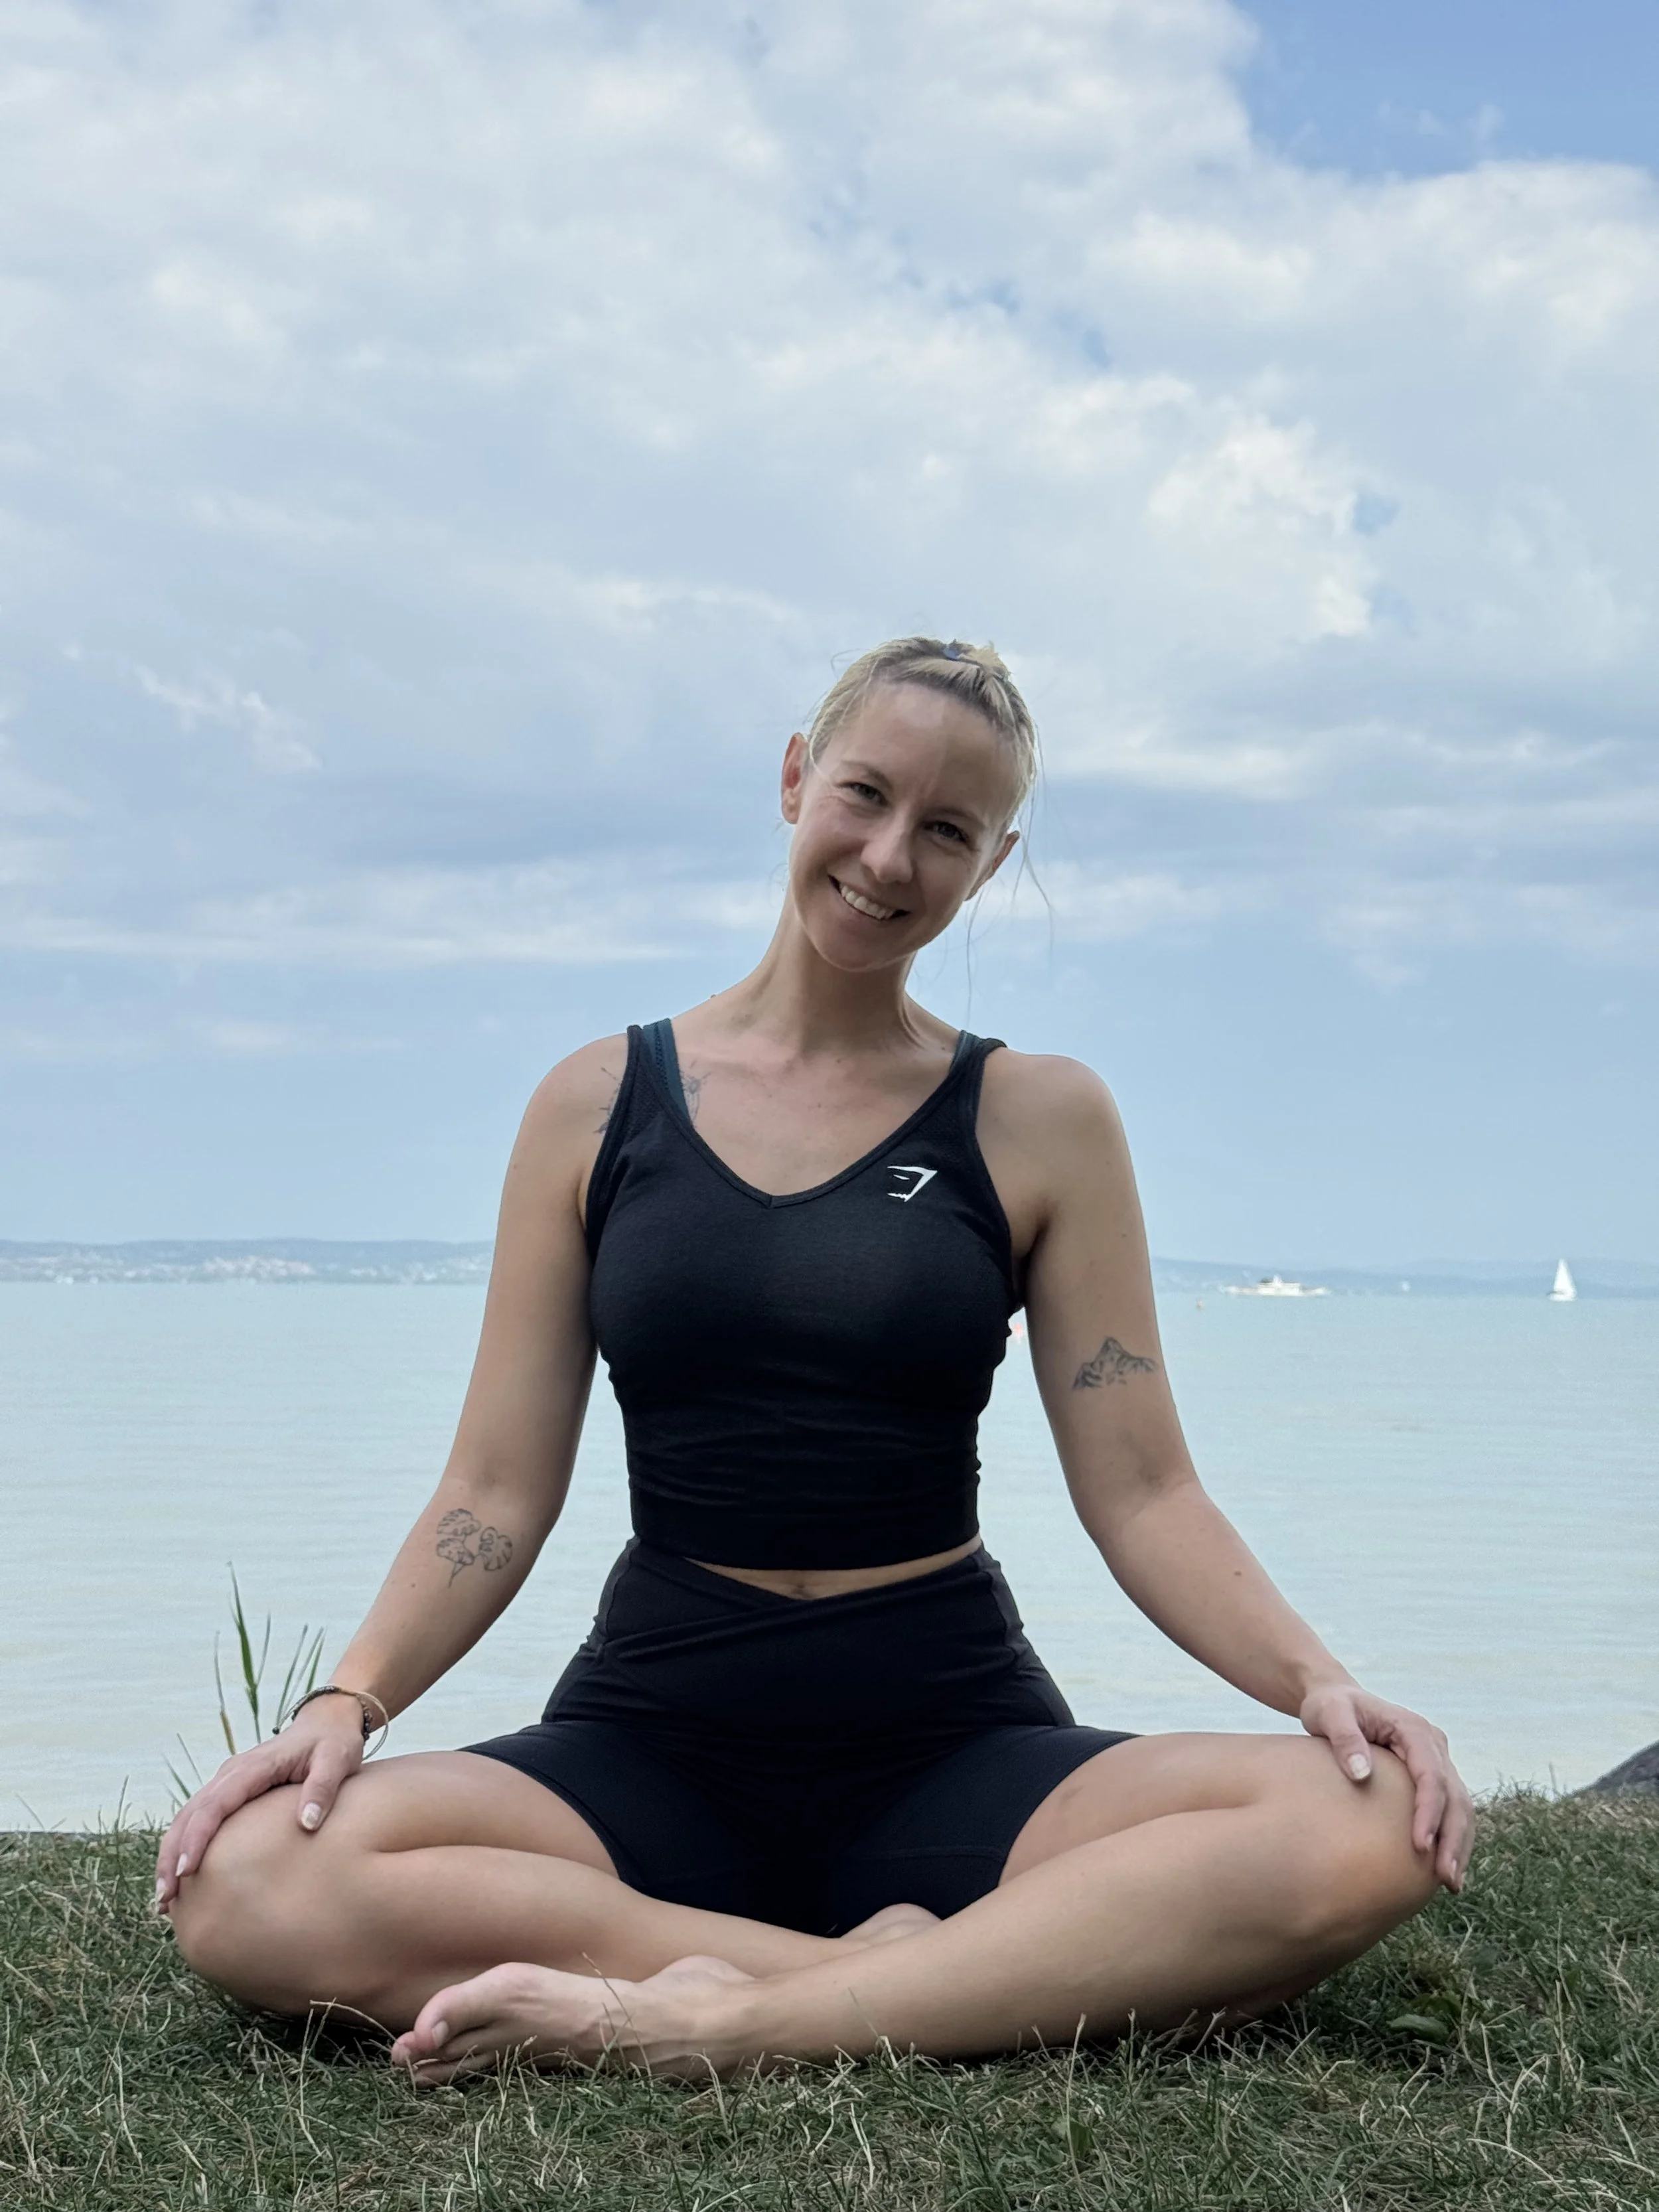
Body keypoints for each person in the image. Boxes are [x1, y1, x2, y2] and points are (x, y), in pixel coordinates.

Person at [159, 637, 1471, 2083]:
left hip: (950, 1729)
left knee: (1364, 1820)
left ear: (993, 860)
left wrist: (1313, 1681)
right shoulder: (595, 1104)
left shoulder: (1040, 1118)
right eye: (864, 793)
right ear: (794, 777)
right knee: (245, 1884)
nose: (890, 855)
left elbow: (1144, 1490)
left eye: (949, 830)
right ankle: (909, 1980)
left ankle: (719, 2017)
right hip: (655, 1726)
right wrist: (348, 1701)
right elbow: (493, 1485)